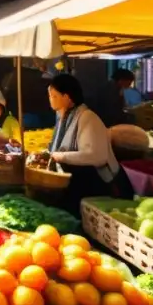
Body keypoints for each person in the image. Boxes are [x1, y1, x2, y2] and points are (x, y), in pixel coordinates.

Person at [47, 73, 132, 214]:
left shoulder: (87, 118)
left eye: (54, 96)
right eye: (49, 96)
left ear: (67, 97)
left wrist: (61, 156)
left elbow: (96, 157)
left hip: (98, 187)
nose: (50, 100)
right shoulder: (63, 117)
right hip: (78, 184)